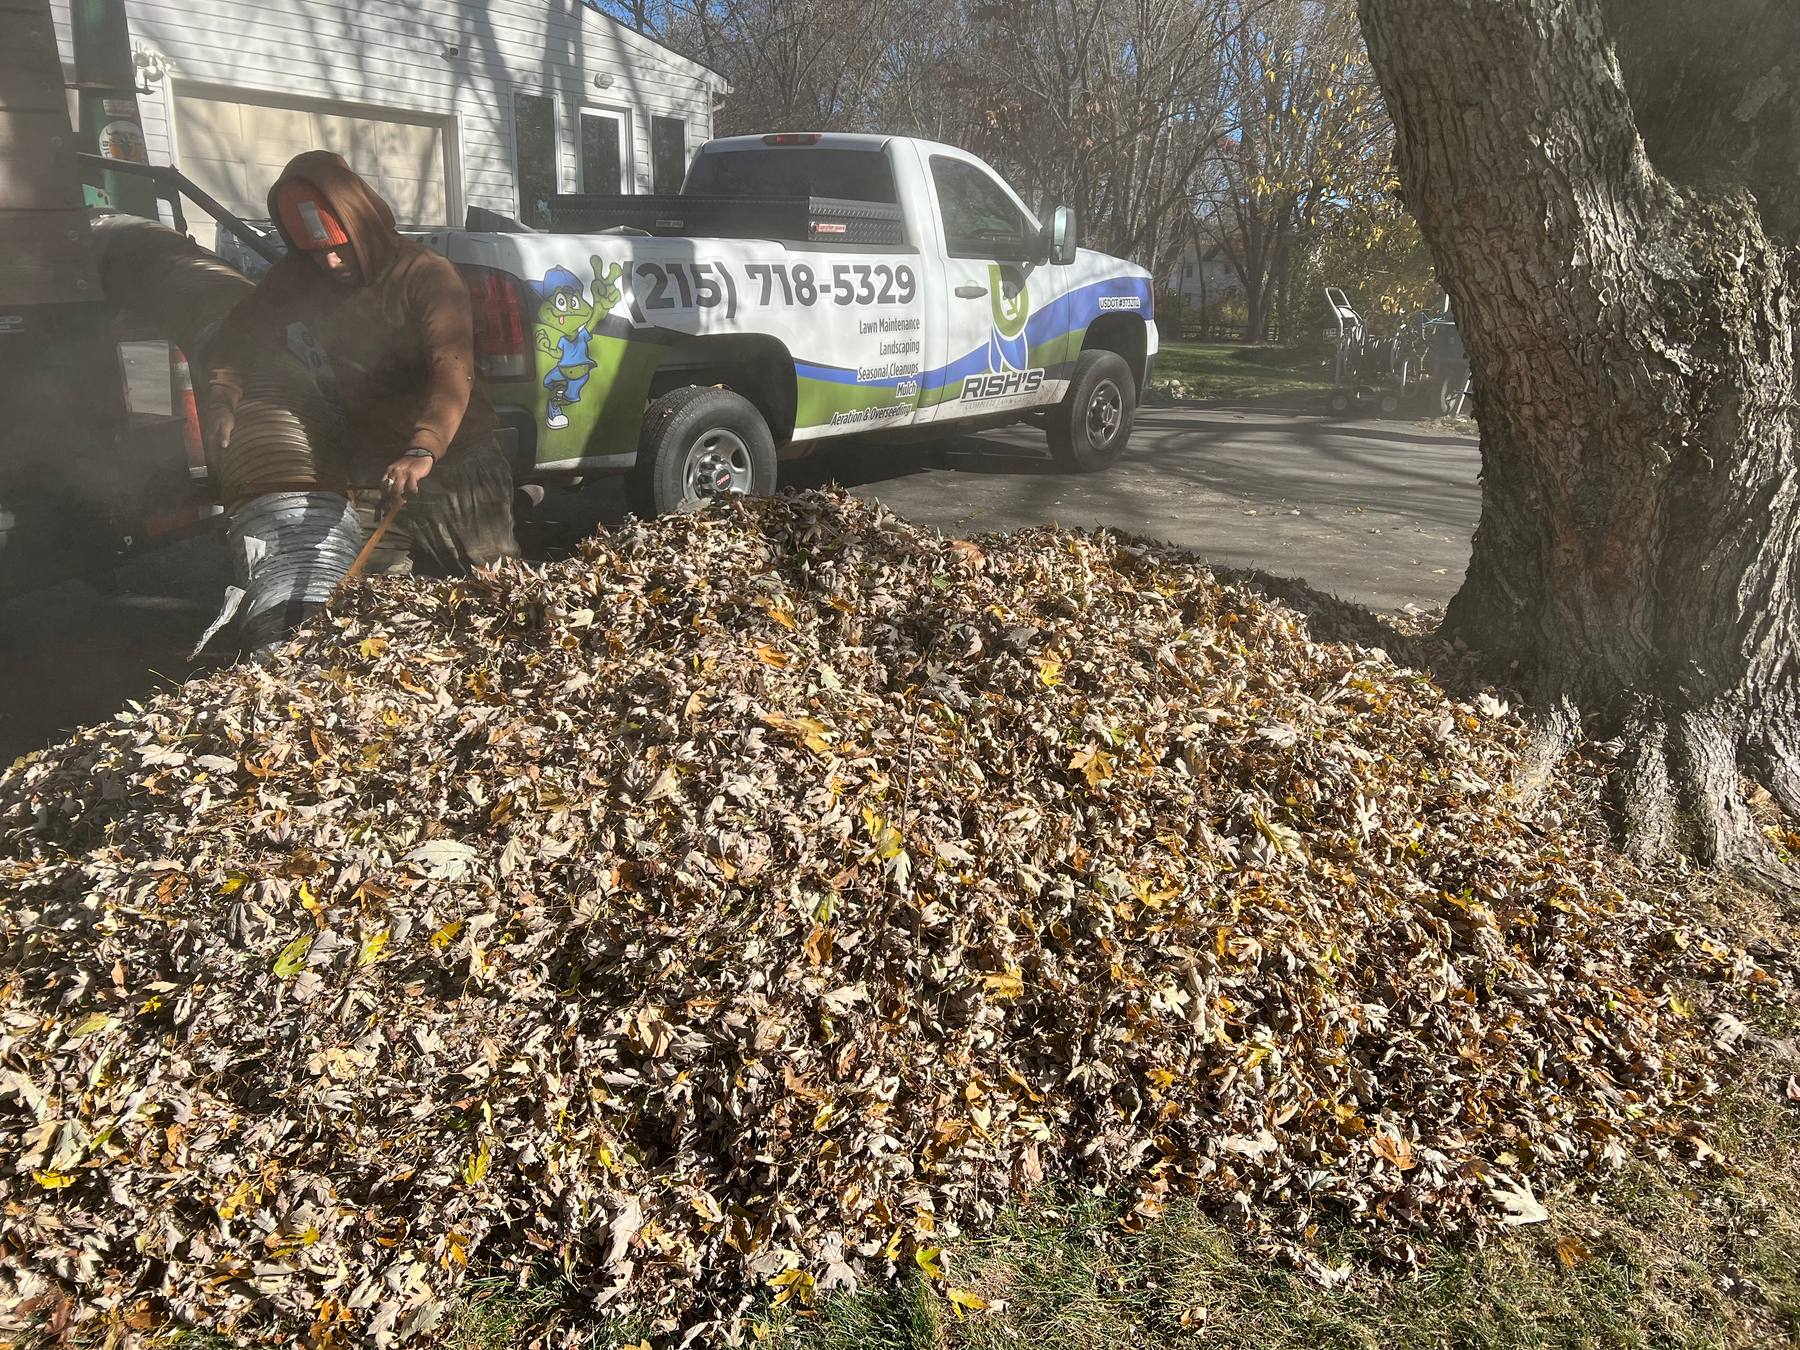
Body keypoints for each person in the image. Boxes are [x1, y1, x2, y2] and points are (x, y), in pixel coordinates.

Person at [204, 151, 518, 575]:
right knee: (366, 600)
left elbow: (452, 366)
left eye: (338, 248)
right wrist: (224, 392)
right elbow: (243, 330)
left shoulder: (425, 274)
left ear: (363, 227)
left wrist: (423, 446)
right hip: (373, 466)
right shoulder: (302, 276)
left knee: (495, 593)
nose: (330, 263)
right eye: (316, 253)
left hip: (458, 464)